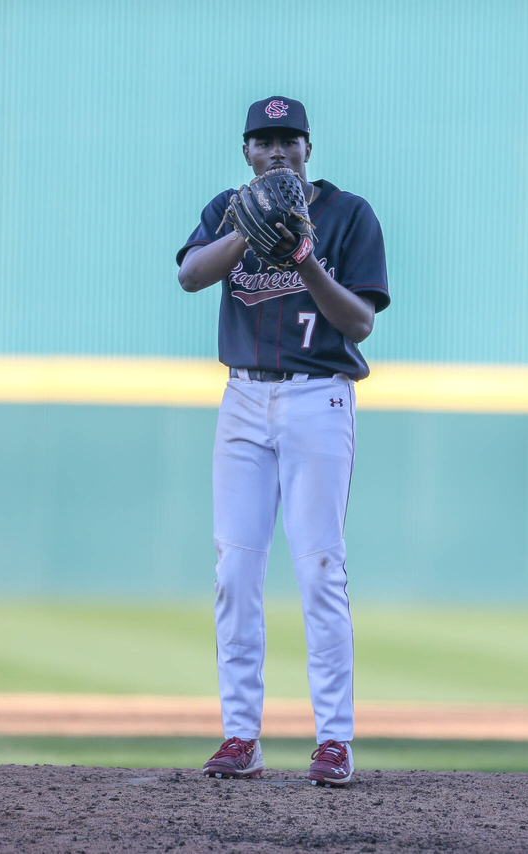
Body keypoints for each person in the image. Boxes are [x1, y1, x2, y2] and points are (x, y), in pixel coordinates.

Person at [176, 96, 390, 785]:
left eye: (288, 140)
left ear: (307, 148)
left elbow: (358, 323)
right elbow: (189, 275)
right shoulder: (224, 208)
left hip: (316, 398)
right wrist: (247, 228)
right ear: (246, 151)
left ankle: (334, 741)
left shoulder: (348, 214)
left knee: (319, 570)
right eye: (263, 141)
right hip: (242, 396)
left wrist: (304, 258)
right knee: (235, 572)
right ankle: (241, 734)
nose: (276, 151)